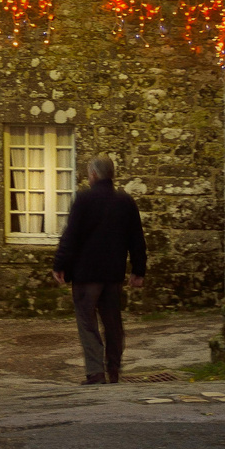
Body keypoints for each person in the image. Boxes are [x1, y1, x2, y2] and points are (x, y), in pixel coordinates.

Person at [52, 155, 147, 385]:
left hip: (86, 275)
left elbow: (71, 236)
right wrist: (138, 270)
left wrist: (60, 265)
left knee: (87, 324)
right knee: (113, 323)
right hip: (113, 275)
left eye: (88, 172)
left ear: (93, 174)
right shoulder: (125, 201)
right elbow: (137, 239)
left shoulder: (84, 200)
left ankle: (95, 372)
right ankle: (113, 369)